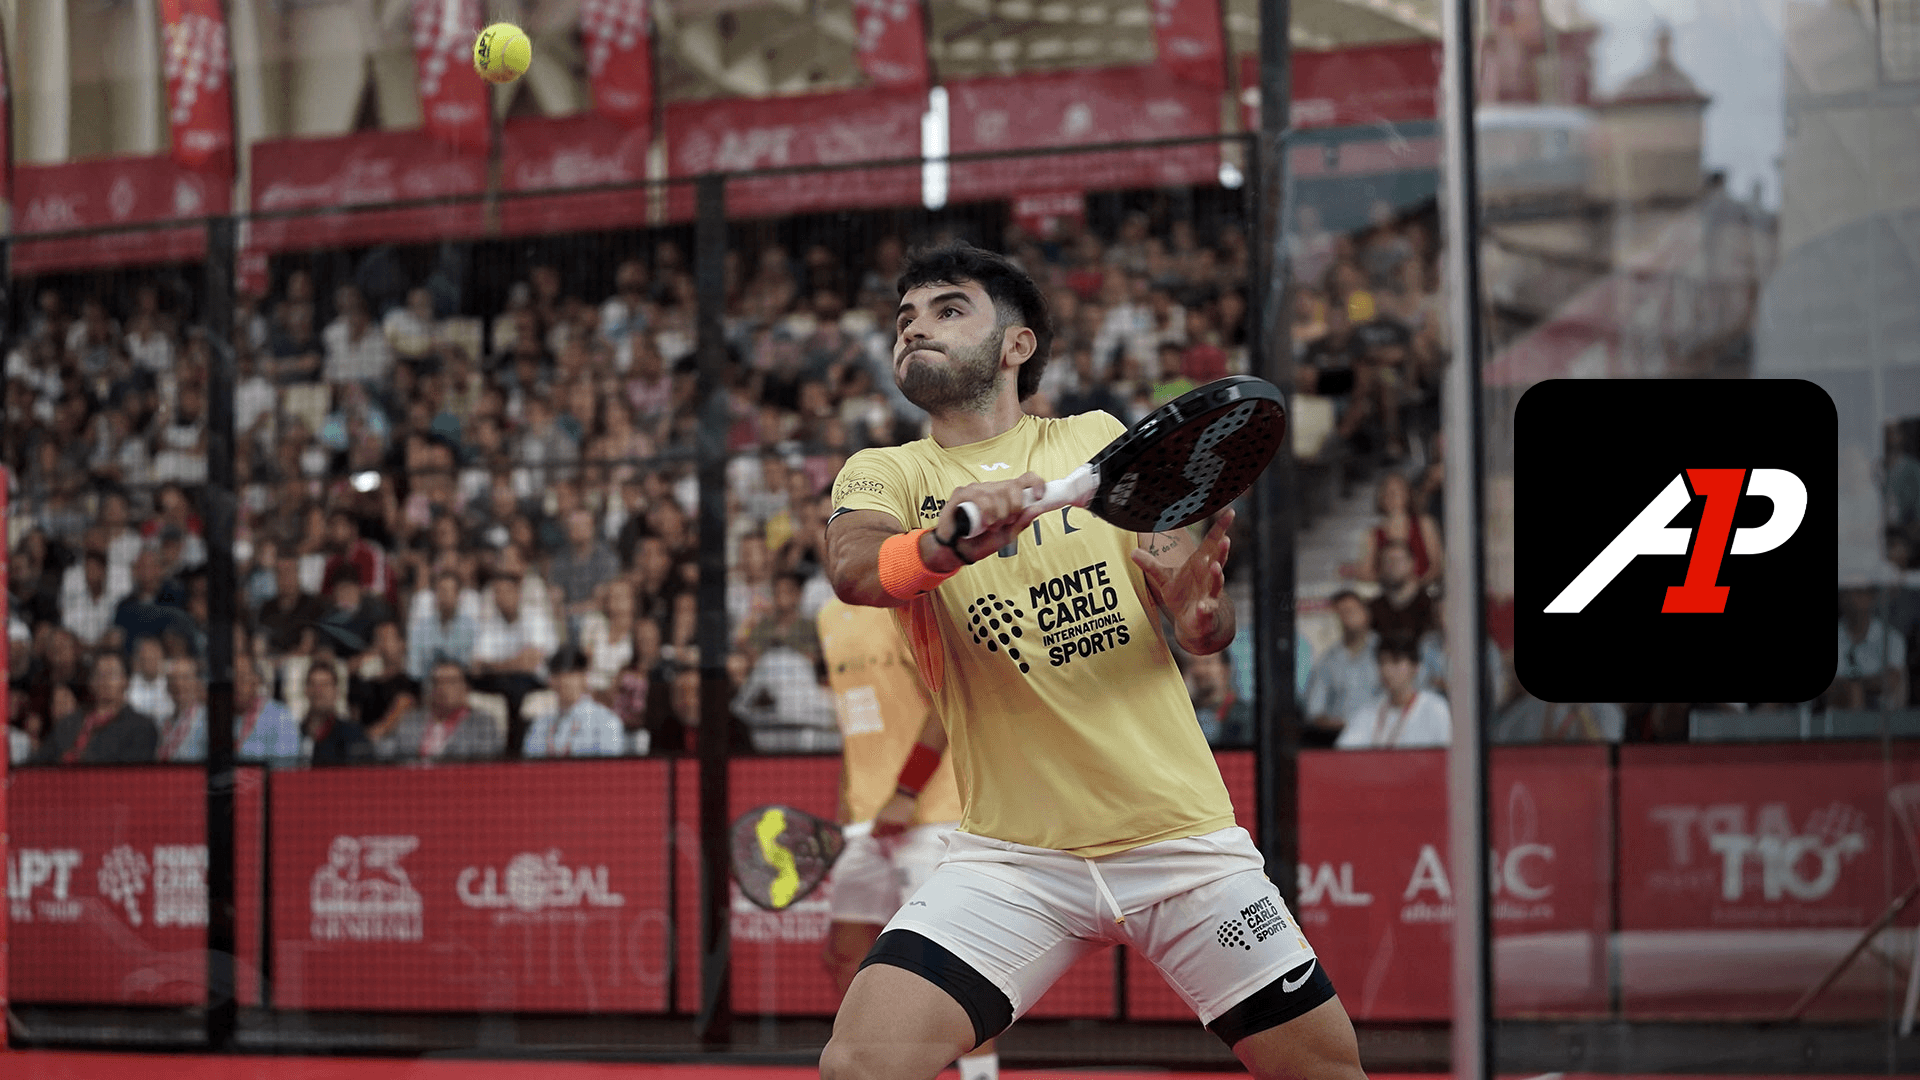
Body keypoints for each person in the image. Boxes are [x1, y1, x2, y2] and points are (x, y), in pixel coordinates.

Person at [820, 243, 1360, 1080]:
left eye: (948, 309)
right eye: (905, 318)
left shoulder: (1098, 442)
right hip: (1011, 860)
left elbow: (1193, 616)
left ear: (1017, 345)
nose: (915, 328)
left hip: (1180, 844)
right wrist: (943, 542)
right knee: (858, 1066)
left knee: (1324, 1072)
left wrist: (1199, 617)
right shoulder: (887, 471)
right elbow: (857, 570)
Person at [817, 595, 998, 1080]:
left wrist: (905, 792)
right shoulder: (828, 616)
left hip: (932, 814)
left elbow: (945, 704)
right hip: (867, 821)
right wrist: (846, 810)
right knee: (844, 953)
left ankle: (981, 1077)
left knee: (952, 970)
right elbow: (855, 729)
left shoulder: (907, 604)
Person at [35, 651, 158, 764]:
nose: (105, 680)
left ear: (126, 681)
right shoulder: (69, 722)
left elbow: (131, 772)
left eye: (112, 674)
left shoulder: (141, 727)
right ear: (91, 682)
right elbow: (38, 762)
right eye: (99, 674)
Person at [1336, 635, 1449, 749]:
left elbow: (1448, 753)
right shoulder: (1367, 713)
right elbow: (1344, 753)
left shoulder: (1436, 709)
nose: (1387, 670)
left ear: (1415, 667)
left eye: (1396, 661)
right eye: (1382, 662)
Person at [378, 660, 503, 761]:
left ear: (466, 688)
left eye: (451, 682)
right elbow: (386, 752)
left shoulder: (482, 723)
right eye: (437, 682)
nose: (443, 688)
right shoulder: (412, 720)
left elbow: (485, 764)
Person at [1302, 591, 1382, 744]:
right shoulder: (1327, 661)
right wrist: (1332, 724)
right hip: (1339, 738)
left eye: (1352, 610)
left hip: (1382, 738)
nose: (1347, 617)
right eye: (1341, 613)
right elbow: (1314, 710)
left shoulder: (1385, 653)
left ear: (1366, 614)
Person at [523, 646, 625, 757]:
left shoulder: (606, 722)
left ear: (584, 677)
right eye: (557, 674)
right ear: (550, 680)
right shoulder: (540, 724)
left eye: (571, 674)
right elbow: (529, 762)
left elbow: (609, 766)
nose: (563, 680)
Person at [1367, 541, 1435, 643]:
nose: (1393, 566)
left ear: (1413, 563)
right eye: (1387, 561)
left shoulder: (1429, 606)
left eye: (1398, 560)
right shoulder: (1373, 609)